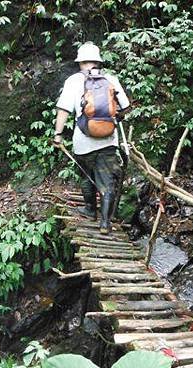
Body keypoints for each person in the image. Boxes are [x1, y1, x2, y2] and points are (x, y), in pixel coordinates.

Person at [53, 42, 131, 234]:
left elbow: (63, 110)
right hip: (108, 140)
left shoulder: (73, 81)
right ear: (98, 61)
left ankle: (90, 210)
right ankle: (105, 223)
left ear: (80, 63)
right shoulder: (110, 79)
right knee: (108, 181)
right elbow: (126, 107)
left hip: (83, 142)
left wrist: (58, 135)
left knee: (86, 175)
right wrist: (116, 117)